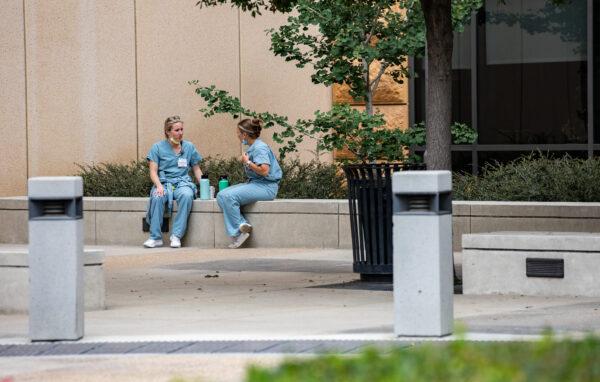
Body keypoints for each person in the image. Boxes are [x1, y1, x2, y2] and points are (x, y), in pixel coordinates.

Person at [217, 118, 282, 248]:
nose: (237, 135)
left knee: (229, 196)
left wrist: (247, 162)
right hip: (256, 184)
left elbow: (264, 170)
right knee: (221, 195)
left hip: (266, 187)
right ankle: (242, 225)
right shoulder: (254, 147)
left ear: (245, 134)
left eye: (238, 133)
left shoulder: (259, 148)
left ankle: (238, 233)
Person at [144, 115, 203, 248]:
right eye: (177, 130)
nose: (180, 133)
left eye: (182, 129)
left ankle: (176, 236)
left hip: (183, 182)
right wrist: (158, 186)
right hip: (164, 183)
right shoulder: (157, 147)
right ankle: (155, 237)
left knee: (187, 195)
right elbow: (153, 171)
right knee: (158, 196)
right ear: (168, 131)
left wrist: (205, 185)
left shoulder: (189, 147)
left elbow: (196, 169)